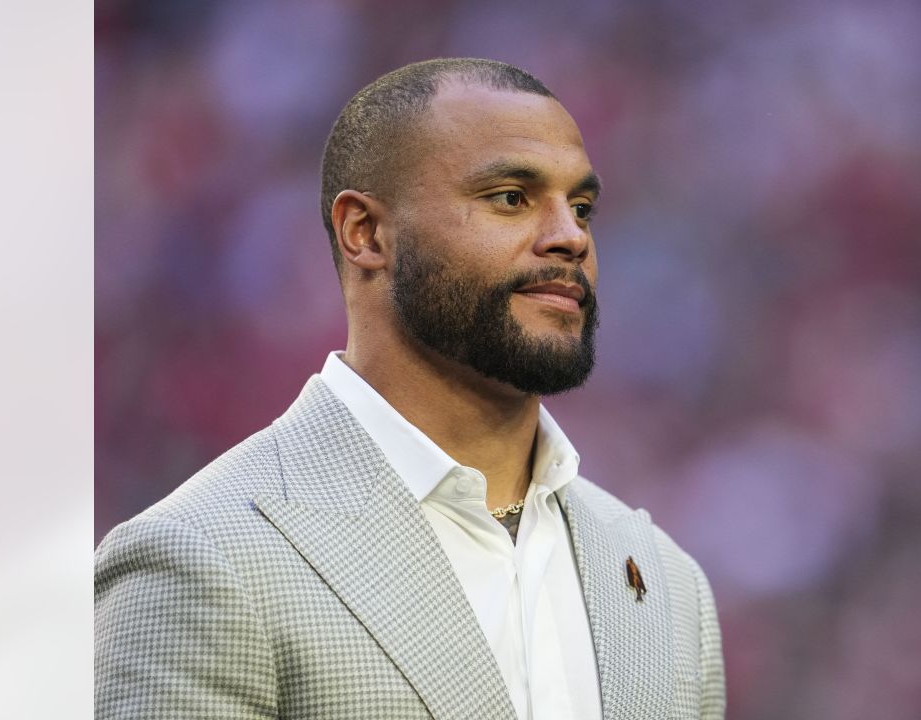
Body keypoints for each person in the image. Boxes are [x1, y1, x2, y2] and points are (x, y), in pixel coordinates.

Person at [94, 58, 724, 720]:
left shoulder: (666, 582)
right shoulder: (199, 557)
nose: (570, 236)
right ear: (365, 233)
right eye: (511, 197)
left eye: (583, 207)